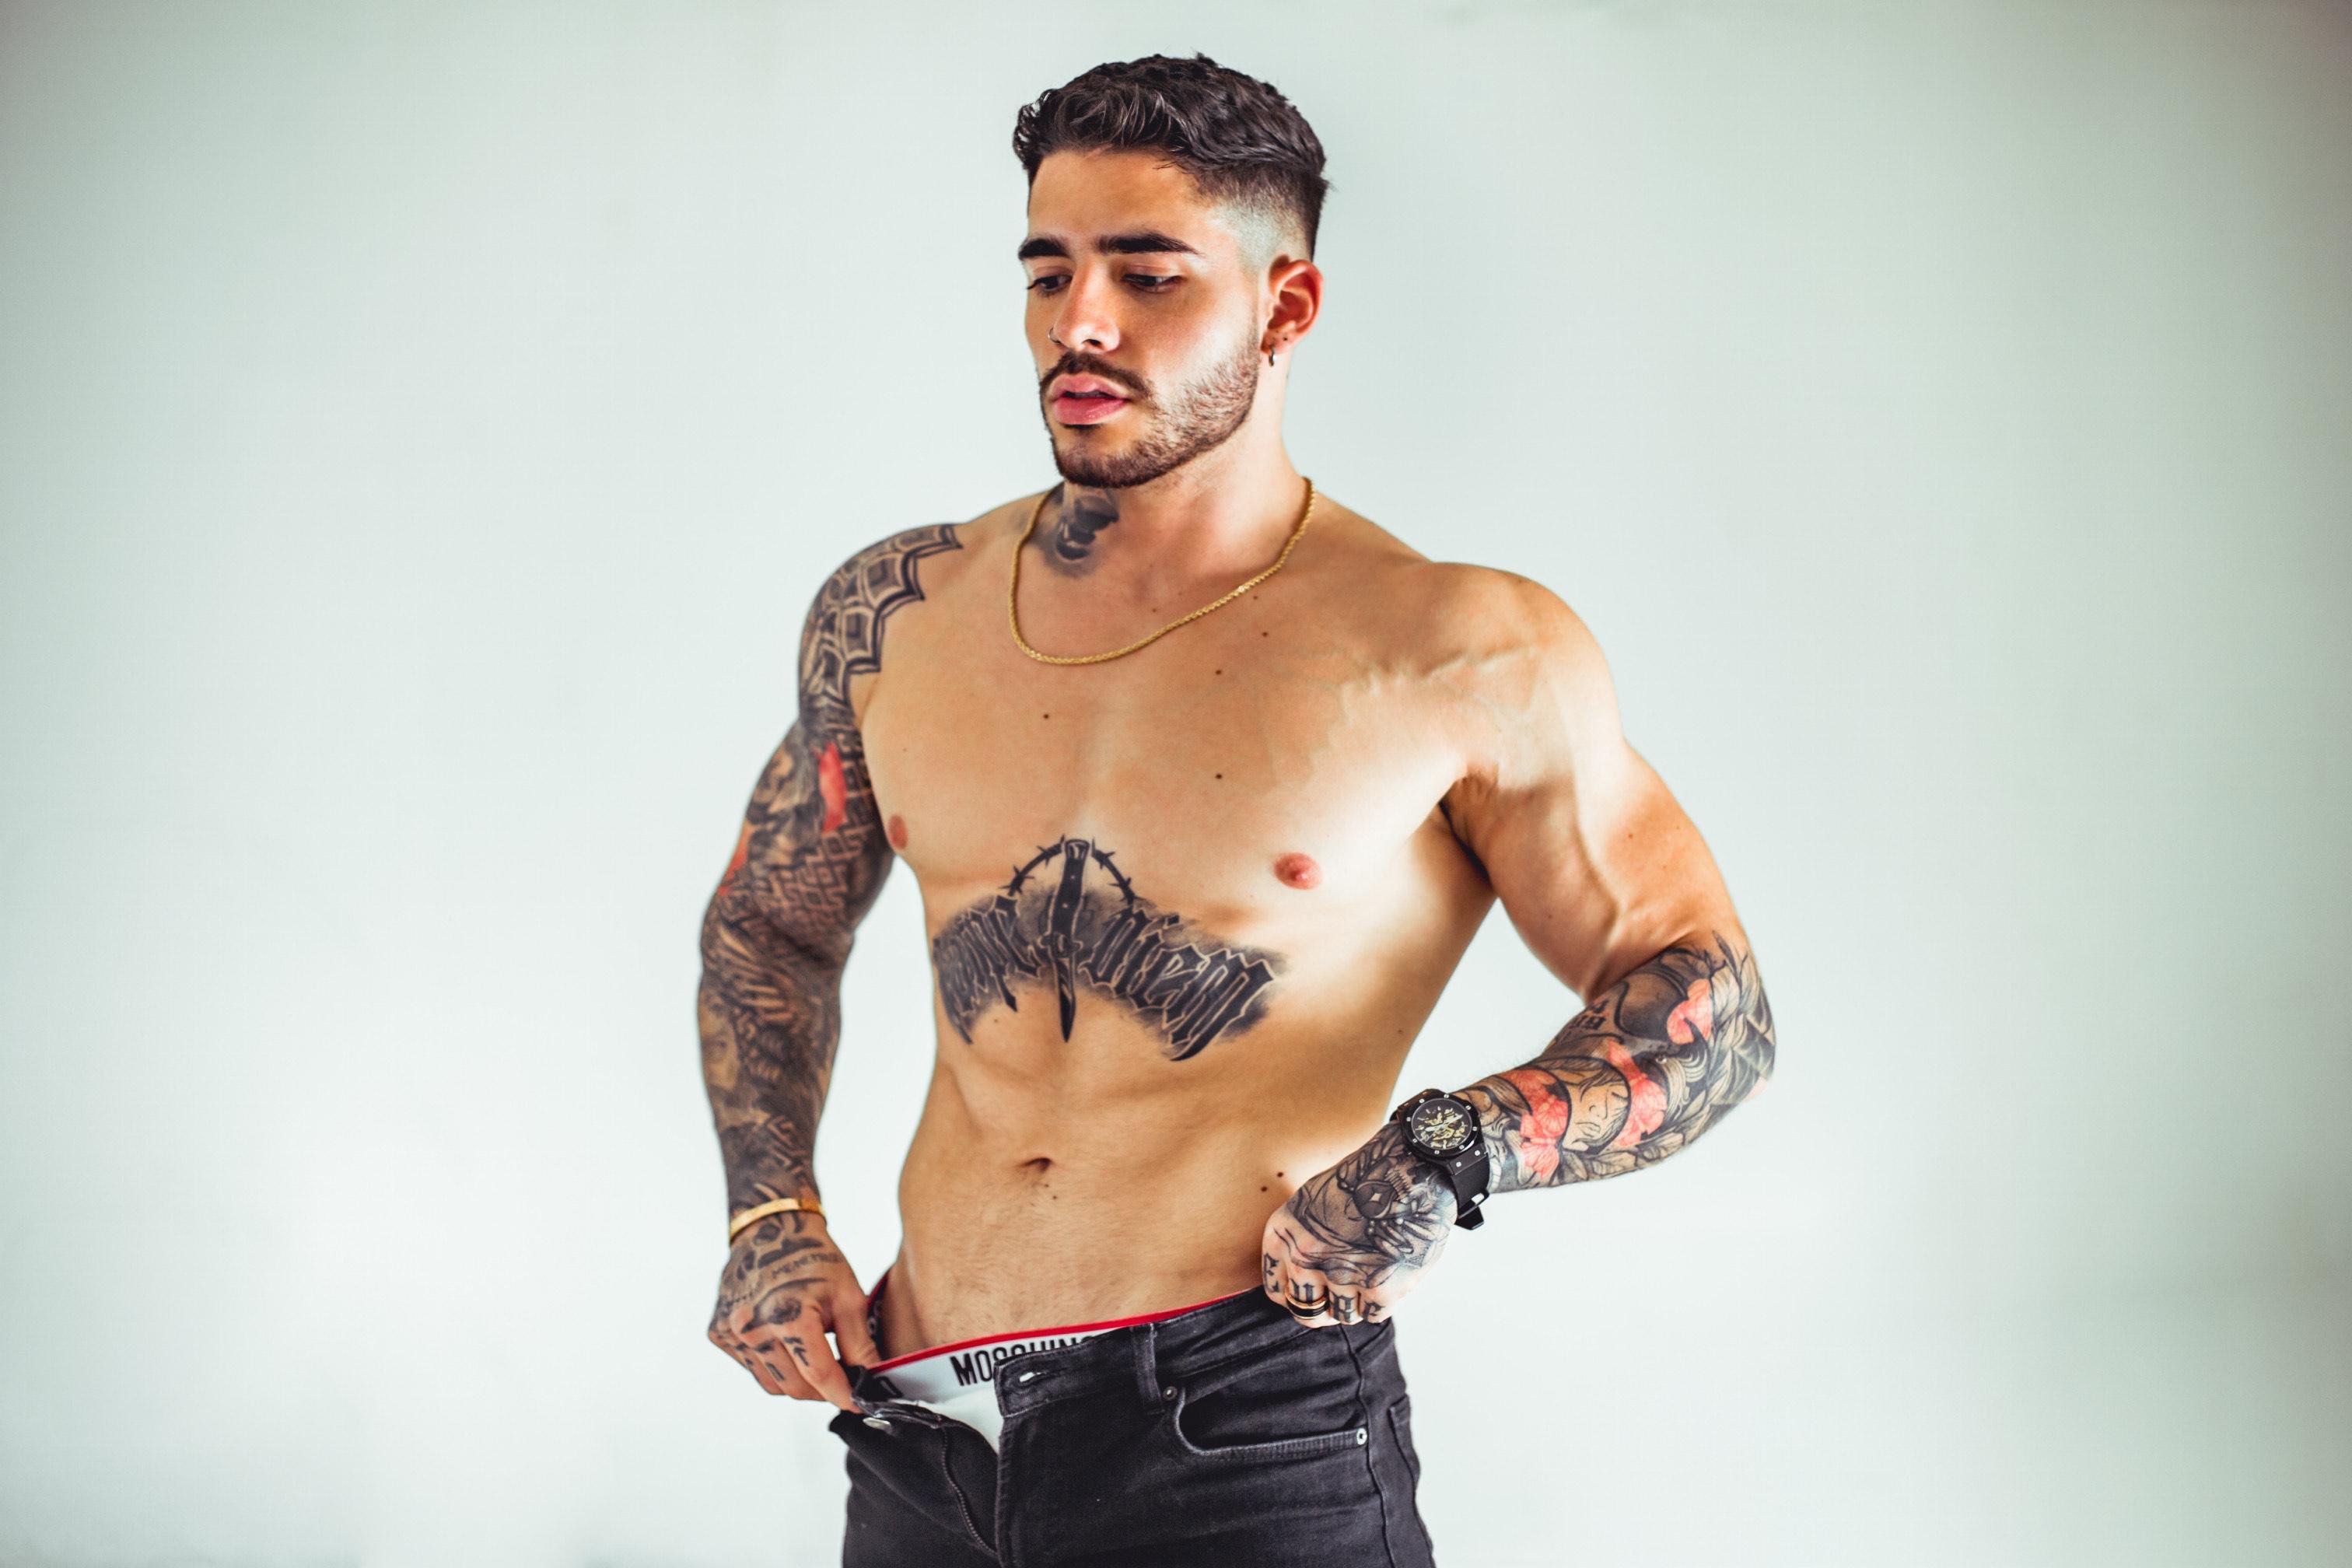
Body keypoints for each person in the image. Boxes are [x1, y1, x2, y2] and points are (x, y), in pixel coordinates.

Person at [698, 52, 1776, 1567]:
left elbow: (1711, 999)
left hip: (1242, 1434)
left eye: (1149, 276)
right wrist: (770, 1218)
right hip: (920, 1429)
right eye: (1049, 272)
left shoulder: (1459, 652)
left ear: (1287, 307)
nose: (1079, 322)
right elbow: (771, 926)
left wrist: (1447, 1150)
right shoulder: (900, 614)